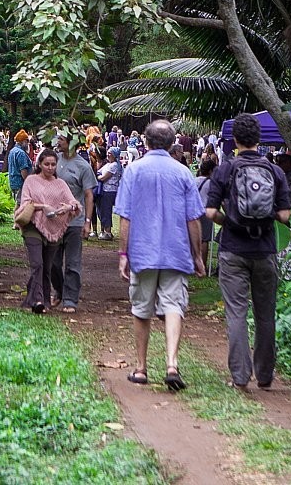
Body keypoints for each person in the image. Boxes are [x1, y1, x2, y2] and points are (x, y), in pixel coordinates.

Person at [203, 112, 291, 391]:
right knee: (266, 314)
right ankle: (265, 375)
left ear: (235, 140)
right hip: (265, 251)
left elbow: (210, 212)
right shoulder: (275, 171)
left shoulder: (225, 170)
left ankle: (240, 377)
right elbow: (285, 215)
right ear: (259, 140)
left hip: (233, 250)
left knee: (237, 313)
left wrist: (228, 221)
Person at [116, 119, 206, 390]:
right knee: (173, 306)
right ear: (172, 143)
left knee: (141, 309)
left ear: (145, 141)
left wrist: (123, 253)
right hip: (176, 251)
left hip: (143, 252)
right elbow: (193, 219)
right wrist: (197, 255)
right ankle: (171, 364)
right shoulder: (183, 173)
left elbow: (125, 217)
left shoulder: (133, 171)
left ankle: (142, 368)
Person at [13, 149, 80, 314]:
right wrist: (43, 206)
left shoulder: (60, 184)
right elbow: (25, 202)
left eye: (53, 164)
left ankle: (43, 300)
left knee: (47, 267)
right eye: (46, 164)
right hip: (33, 226)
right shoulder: (31, 180)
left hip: (53, 227)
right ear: (39, 164)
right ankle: (37, 301)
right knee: (37, 263)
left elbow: (74, 203)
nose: (50, 167)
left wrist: (68, 207)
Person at [50, 134, 96, 314]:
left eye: (61, 139)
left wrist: (87, 222)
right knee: (53, 262)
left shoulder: (82, 166)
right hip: (54, 221)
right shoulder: (53, 162)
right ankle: (59, 290)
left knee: (72, 263)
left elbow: (88, 195)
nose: (57, 142)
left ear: (72, 143)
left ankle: (70, 299)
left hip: (74, 222)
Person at [195, 151, 220, 273]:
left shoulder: (194, 180)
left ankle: (193, 264)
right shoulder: (211, 183)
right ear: (211, 171)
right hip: (205, 211)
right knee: (204, 240)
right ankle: (203, 266)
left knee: (193, 238)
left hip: (193, 211)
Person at [96, 148, 122, 240]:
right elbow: (98, 170)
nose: (108, 155)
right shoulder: (108, 164)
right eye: (107, 153)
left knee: (106, 211)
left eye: (110, 153)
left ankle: (108, 232)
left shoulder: (114, 165)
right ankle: (103, 230)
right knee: (101, 210)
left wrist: (97, 176)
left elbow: (103, 177)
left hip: (110, 191)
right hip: (104, 190)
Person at [7, 129, 32, 204]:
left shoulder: (12, 151)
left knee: (17, 203)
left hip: (13, 182)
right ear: (23, 141)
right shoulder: (21, 153)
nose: (28, 144)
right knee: (21, 205)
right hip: (21, 184)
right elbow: (23, 171)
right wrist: (29, 183)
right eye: (27, 142)